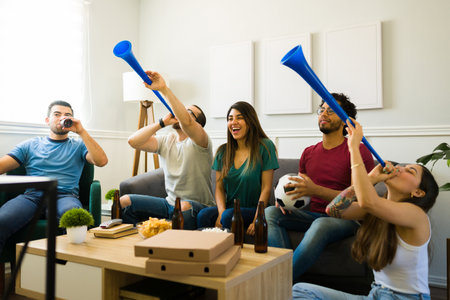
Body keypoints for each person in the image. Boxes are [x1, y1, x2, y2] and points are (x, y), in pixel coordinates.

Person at [292, 118, 439, 300]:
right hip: (376, 293)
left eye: (410, 171)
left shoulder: (416, 216)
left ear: (418, 192)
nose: (400, 169)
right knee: (299, 290)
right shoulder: (376, 208)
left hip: (405, 298)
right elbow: (334, 209)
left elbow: (368, 201)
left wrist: (353, 148)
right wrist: (370, 179)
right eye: (403, 166)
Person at [265, 93, 375, 281]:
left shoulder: (358, 151)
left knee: (321, 223)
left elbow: (360, 197)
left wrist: (316, 190)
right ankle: (285, 275)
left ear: (345, 121)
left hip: (345, 218)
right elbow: (299, 189)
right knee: (270, 213)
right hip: (313, 215)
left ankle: (280, 281)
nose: (324, 114)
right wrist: (284, 201)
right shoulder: (308, 152)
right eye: (321, 110)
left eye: (331, 111)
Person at [0, 100, 108, 252]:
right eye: (57, 114)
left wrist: (82, 131)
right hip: (32, 196)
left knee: (76, 222)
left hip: (65, 196)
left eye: (67, 115)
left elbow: (102, 161)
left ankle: (71, 270)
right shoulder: (30, 145)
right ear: (47, 120)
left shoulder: (78, 145)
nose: (62, 118)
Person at [120, 71, 214, 229]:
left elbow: (187, 123)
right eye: (183, 110)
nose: (181, 113)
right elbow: (133, 141)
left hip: (197, 206)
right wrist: (161, 123)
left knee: (183, 207)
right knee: (125, 202)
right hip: (169, 204)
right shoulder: (166, 139)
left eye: (189, 113)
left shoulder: (201, 140)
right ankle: (133, 245)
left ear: (198, 125)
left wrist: (163, 89)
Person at [197, 101, 279, 234]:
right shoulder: (222, 152)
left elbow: (266, 188)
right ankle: (206, 252)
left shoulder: (265, 146)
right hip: (229, 209)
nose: (233, 122)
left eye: (239, 118)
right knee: (203, 215)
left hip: (254, 209)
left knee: (229, 216)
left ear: (250, 121)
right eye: (230, 119)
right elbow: (219, 188)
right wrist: (221, 212)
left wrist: (258, 217)